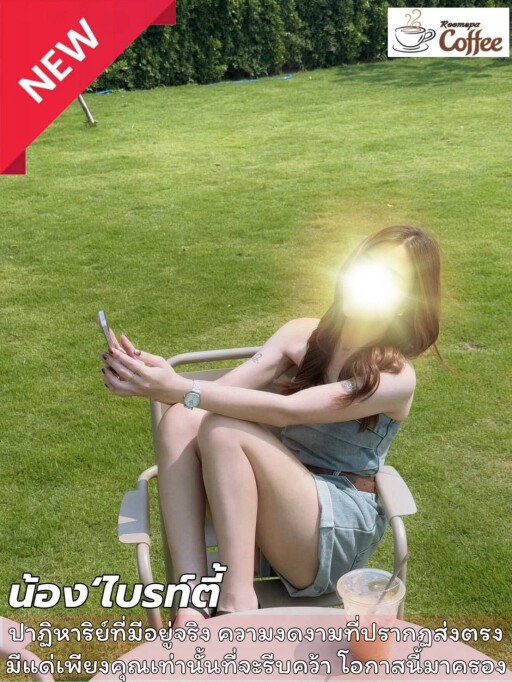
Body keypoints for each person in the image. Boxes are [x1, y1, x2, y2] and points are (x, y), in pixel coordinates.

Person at [100, 224, 442, 630]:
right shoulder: (302, 335)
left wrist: (178, 387)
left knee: (224, 430)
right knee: (181, 419)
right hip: (271, 511)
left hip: (332, 533)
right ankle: (191, 605)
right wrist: (160, 381)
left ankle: (237, 604)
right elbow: (215, 396)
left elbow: (287, 411)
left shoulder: (394, 376)